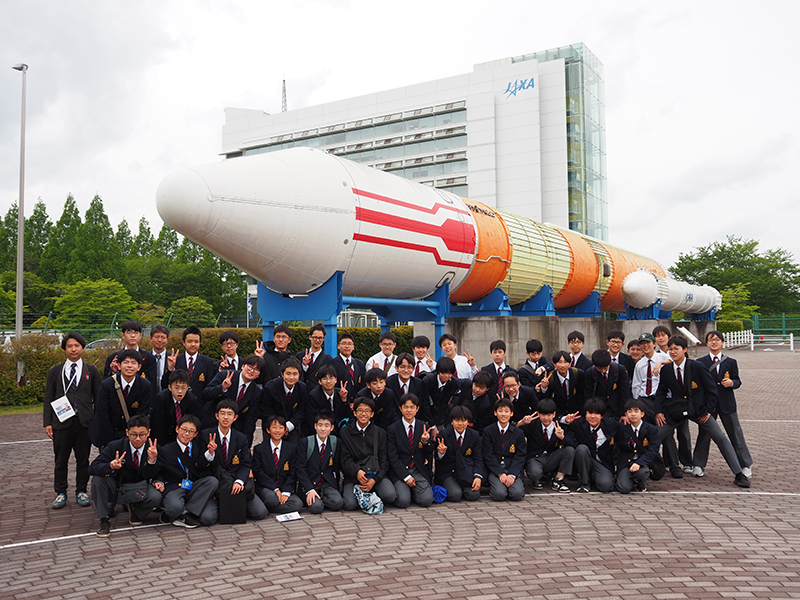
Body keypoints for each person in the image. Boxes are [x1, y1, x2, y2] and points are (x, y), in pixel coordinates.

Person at [655, 335, 750, 488]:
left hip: (699, 411)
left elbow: (711, 389)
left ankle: (739, 474)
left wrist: (708, 411)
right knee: (656, 435)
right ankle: (642, 470)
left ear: (685, 350)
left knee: (720, 437)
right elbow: (661, 392)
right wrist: (659, 412)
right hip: (677, 411)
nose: (672, 352)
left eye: (676, 349)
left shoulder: (697, 366)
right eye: (670, 349)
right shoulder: (666, 369)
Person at [43, 332, 102, 509]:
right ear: (65, 349)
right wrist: (47, 422)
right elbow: (49, 397)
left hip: (84, 422)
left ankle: (81, 491)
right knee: (60, 460)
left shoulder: (91, 370)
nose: (73, 349)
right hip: (61, 422)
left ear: (83, 348)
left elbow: (98, 398)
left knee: (83, 459)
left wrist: (97, 421)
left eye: (77, 345)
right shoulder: (55, 371)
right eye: (70, 346)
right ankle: (60, 492)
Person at [89, 414, 162, 537]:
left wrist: (152, 462)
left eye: (142, 435)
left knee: (156, 496)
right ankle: (104, 519)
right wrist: (110, 466)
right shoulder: (115, 446)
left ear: (148, 433)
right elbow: (92, 468)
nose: (138, 439)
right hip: (117, 487)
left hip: (140, 488)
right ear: (127, 432)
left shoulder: (154, 449)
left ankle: (137, 513)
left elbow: (159, 473)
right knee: (98, 480)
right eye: (133, 435)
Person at [693, 330, 753, 478]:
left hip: (727, 403)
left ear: (722, 342)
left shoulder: (730, 362)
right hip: (708, 405)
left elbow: (737, 381)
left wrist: (732, 383)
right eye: (711, 340)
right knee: (704, 434)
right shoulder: (700, 362)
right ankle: (699, 464)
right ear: (707, 343)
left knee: (735, 434)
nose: (714, 342)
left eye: (717, 339)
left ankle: (745, 464)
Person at [632, 332, 689, 478]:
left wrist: (660, 363)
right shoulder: (640, 364)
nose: (645, 346)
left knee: (666, 433)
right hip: (644, 401)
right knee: (645, 433)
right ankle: (653, 465)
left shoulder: (664, 357)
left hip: (661, 401)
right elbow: (636, 385)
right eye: (642, 344)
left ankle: (674, 466)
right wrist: (637, 404)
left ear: (654, 344)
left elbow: (674, 361)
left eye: (648, 343)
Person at [202, 400, 267, 521]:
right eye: (222, 413)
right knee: (207, 518)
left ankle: (235, 506)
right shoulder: (206, 435)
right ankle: (223, 506)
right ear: (216, 416)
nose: (226, 417)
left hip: (235, 483)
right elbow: (200, 465)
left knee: (260, 512)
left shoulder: (241, 438)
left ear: (235, 417)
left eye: (229, 414)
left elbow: (246, 464)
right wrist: (209, 453)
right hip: (216, 484)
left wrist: (239, 481)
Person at [155, 415, 219, 527]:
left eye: (191, 431)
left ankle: (186, 514)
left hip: (194, 486)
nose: (186, 434)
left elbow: (202, 466)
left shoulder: (199, 446)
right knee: (174, 507)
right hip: (175, 487)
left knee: (212, 482)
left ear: (196, 434)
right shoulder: (166, 449)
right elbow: (159, 470)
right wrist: (158, 481)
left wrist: (210, 453)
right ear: (177, 429)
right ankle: (181, 512)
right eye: (184, 429)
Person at [339, 397, 397, 510]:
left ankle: (371, 492)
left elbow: (384, 460)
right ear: (354, 413)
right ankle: (365, 495)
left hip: (375, 474)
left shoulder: (380, 432)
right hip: (354, 476)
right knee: (350, 504)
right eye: (360, 410)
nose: (363, 414)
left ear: (372, 414)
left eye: (367, 410)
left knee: (390, 495)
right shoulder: (345, 432)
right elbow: (345, 459)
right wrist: (357, 472)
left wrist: (375, 480)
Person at [90, 349, 152, 449]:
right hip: (108, 434)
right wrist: (109, 443)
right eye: (126, 362)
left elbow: (141, 413)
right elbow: (102, 414)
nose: (129, 366)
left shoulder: (145, 386)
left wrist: (131, 437)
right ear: (119, 366)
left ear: (139, 367)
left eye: (133, 363)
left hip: (132, 435)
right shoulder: (107, 385)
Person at [202, 354, 265, 444]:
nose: (251, 371)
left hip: (234, 432)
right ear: (242, 366)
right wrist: (222, 388)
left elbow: (250, 419)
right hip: (212, 424)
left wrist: (246, 444)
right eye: (250, 367)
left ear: (259, 375)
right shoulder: (225, 375)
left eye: (256, 369)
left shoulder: (256, 392)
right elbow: (206, 394)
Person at [387, 394, 434, 508]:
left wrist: (425, 442)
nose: (409, 410)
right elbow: (392, 456)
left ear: (417, 409)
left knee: (426, 500)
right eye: (406, 407)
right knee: (403, 502)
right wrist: (406, 477)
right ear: (400, 408)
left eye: (412, 407)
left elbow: (429, 452)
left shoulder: (423, 426)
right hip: (401, 470)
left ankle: (413, 492)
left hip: (418, 469)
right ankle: (407, 491)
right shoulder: (392, 429)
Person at [518, 398, 575, 493]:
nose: (546, 418)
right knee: (535, 473)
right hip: (535, 458)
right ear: (538, 414)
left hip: (551, 458)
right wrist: (521, 423)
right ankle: (538, 479)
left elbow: (573, 444)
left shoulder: (559, 425)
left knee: (569, 450)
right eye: (543, 414)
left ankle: (558, 479)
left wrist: (562, 437)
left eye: (549, 415)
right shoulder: (532, 424)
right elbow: (515, 432)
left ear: (554, 414)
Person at [563, 398, 618, 493]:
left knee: (606, 486)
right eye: (590, 413)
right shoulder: (579, 424)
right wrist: (566, 421)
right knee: (581, 449)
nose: (593, 416)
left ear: (602, 416)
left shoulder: (610, 424)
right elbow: (559, 424)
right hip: (585, 459)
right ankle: (585, 483)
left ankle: (594, 479)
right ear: (585, 414)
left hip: (602, 463)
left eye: (596, 413)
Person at [252, 415, 304, 514]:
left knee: (298, 504)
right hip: (266, 487)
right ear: (268, 430)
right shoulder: (259, 449)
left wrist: (286, 492)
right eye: (274, 427)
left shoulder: (291, 448)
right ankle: (270, 504)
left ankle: (267, 508)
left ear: (285, 430)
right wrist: (275, 489)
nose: (277, 431)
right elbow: (258, 472)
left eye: (281, 428)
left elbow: (293, 473)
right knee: (271, 498)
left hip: (284, 486)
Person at [297, 410, 343, 514]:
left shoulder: (335, 442)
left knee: (338, 503)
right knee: (316, 508)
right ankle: (316, 500)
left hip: (326, 483)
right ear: (315, 426)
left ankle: (320, 499)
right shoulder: (306, 442)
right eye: (320, 425)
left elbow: (336, 467)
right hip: (311, 483)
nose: (323, 429)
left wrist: (335, 486)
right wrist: (309, 489)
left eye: (327, 426)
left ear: (332, 428)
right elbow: (300, 469)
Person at [434, 405, 483, 501]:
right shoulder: (444, 434)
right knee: (455, 495)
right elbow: (437, 459)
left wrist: (478, 476)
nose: (460, 423)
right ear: (452, 421)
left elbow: (478, 458)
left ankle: (461, 488)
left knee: (473, 495)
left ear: (468, 422)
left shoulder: (474, 435)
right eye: (456, 420)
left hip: (466, 472)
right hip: (449, 473)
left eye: (463, 420)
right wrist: (441, 453)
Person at [482, 397, 526, 501]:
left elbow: (520, 455)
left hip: (512, 468)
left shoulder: (518, 433)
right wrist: (500, 473)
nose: (503, 414)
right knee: (499, 495)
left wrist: (512, 475)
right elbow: (488, 455)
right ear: (495, 413)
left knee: (517, 494)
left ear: (511, 413)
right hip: (495, 469)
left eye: (506, 411)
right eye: (500, 411)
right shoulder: (488, 431)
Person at [615, 399, 660, 493]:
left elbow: (653, 450)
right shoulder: (621, 428)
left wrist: (639, 463)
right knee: (624, 488)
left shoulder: (651, 429)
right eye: (629, 411)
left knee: (642, 472)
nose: (633, 414)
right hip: (626, 463)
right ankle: (629, 480)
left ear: (642, 414)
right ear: (626, 414)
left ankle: (640, 483)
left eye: (636, 411)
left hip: (642, 463)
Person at [260, 357, 308, 442]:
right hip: (272, 426)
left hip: (292, 426)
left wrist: (289, 426)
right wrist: (279, 426)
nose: (291, 377)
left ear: (299, 375)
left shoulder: (302, 388)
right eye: (288, 374)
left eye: (295, 374)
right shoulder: (270, 387)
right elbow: (265, 409)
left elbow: (302, 410)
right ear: (282, 374)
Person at [161, 326, 216, 398]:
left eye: (196, 341)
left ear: (200, 343)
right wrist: (170, 369)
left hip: (200, 403)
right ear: (183, 342)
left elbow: (210, 388)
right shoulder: (175, 360)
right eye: (190, 341)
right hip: (180, 402)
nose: (193, 344)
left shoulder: (208, 362)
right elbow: (165, 385)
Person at [151, 369, 202, 445]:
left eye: (183, 388)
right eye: (176, 388)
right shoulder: (161, 399)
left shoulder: (192, 399)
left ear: (188, 387)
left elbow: (193, 423)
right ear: (170, 387)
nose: (180, 391)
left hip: (184, 437)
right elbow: (158, 426)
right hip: (165, 438)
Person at [421, 357, 468, 429]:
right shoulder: (428, 380)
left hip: (439, 416)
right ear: (438, 371)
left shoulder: (452, 383)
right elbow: (425, 403)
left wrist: (437, 425)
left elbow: (444, 404)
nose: (446, 376)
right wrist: (432, 425)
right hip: (424, 415)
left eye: (449, 373)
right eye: (443, 373)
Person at [583, 349, 631, 419]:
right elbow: (588, 394)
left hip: (617, 407)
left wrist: (623, 413)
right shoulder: (590, 373)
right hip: (599, 408)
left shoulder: (619, 370)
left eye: (605, 368)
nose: (603, 371)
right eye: (600, 368)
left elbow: (625, 392)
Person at [536, 351, 584, 418]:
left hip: (576, 413)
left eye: (565, 362)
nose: (562, 365)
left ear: (569, 364)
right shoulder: (550, 377)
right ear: (555, 364)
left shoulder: (578, 374)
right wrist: (544, 387)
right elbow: (546, 399)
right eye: (560, 362)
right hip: (558, 414)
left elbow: (582, 395)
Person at [386, 353, 431, 422]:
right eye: (403, 367)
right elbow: (390, 407)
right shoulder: (389, 382)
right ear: (396, 368)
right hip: (393, 423)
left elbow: (420, 405)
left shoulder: (419, 383)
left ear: (413, 369)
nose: (406, 370)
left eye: (409, 367)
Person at [306, 364, 349, 433]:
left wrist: (344, 400)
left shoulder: (340, 393)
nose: (328, 381)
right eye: (325, 378)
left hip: (338, 429)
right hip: (321, 430)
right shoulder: (314, 396)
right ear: (320, 381)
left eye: (331, 378)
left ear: (336, 380)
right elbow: (312, 419)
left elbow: (345, 415)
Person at [297, 324, 334, 389]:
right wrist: (304, 365)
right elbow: (297, 375)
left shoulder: (328, 359)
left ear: (323, 339)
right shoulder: (300, 355)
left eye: (320, 338)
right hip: (301, 392)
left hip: (318, 393)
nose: (318, 340)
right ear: (310, 337)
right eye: (315, 337)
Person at [332, 332, 366, 399]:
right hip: (340, 399)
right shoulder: (333, 363)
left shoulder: (360, 364)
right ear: (338, 346)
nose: (347, 346)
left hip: (357, 400)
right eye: (344, 343)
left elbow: (363, 384)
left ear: (353, 347)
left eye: (349, 344)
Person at [146, 324, 170, 393]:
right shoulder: (145, 357)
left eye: (163, 337)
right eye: (157, 337)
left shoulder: (173, 358)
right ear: (151, 338)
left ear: (167, 339)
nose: (159, 340)